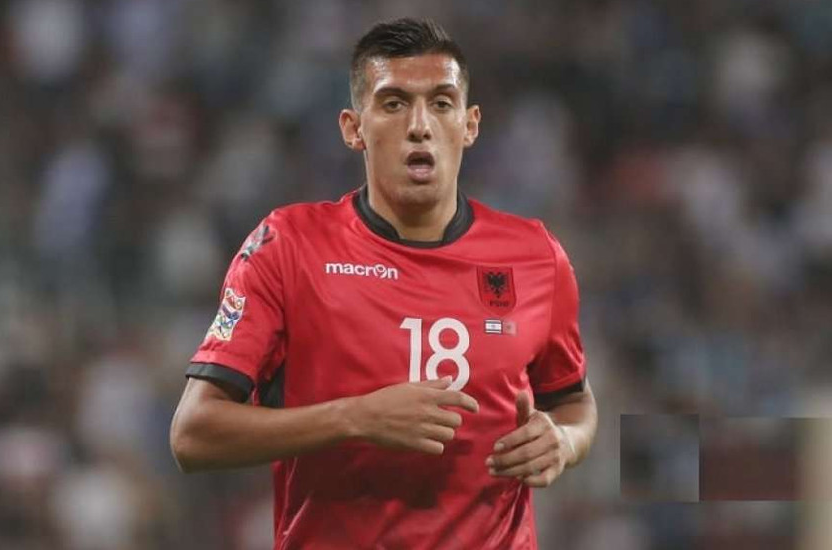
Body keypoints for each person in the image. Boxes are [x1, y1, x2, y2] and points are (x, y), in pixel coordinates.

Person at [170, 17, 597, 549]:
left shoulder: (535, 256)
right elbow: (193, 435)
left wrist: (564, 441)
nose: (420, 125)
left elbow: (574, 403)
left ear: (469, 124)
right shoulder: (290, 247)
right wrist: (354, 417)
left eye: (441, 103)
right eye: (394, 104)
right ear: (353, 128)